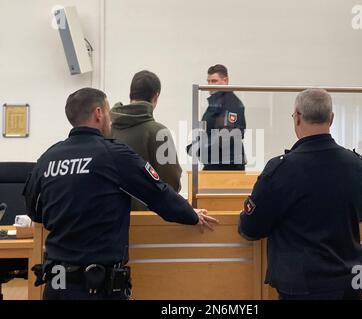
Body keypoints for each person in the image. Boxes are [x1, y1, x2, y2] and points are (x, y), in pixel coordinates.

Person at [23, 88, 218, 300]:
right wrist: (190, 214)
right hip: (98, 289)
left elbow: (34, 211)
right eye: (108, 111)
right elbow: (158, 194)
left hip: (56, 287)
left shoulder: (48, 158)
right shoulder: (113, 155)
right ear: (98, 113)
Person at [238, 89, 362, 300]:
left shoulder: (281, 169)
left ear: (297, 117)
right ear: (332, 119)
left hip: (302, 287)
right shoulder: (357, 165)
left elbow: (251, 227)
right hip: (350, 283)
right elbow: (361, 213)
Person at [111, 70, 182, 211]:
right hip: (147, 217)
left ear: (130, 94)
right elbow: (171, 181)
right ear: (156, 97)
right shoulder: (159, 132)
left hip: (110, 215)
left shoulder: (106, 129)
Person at [187, 64, 247, 170]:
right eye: (208, 81)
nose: (210, 85)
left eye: (214, 81)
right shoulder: (215, 105)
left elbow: (227, 135)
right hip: (214, 162)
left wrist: (200, 147)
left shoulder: (232, 104)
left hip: (228, 166)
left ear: (226, 80)